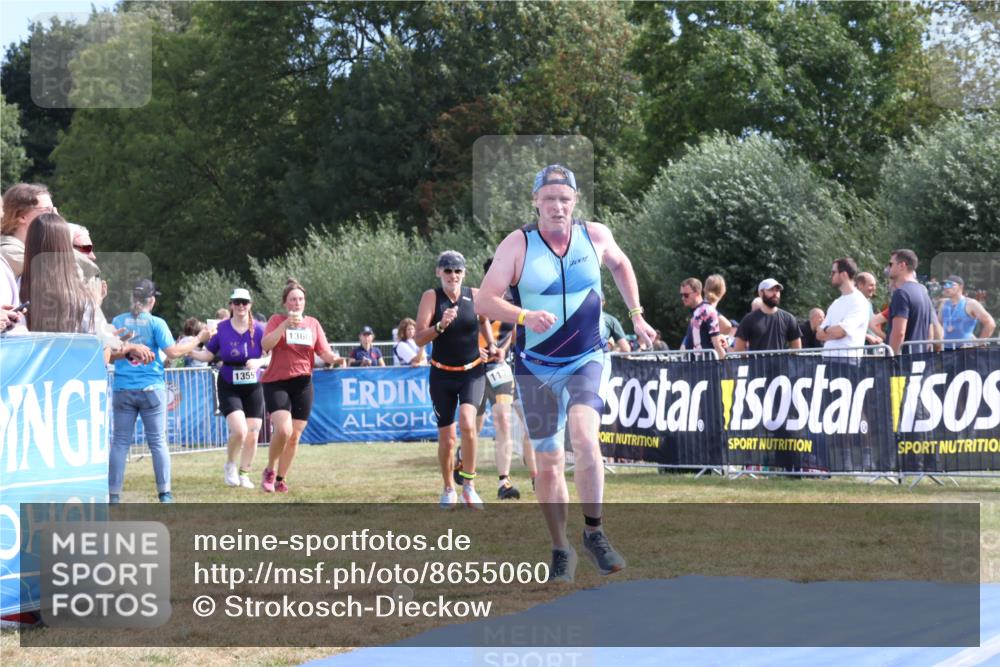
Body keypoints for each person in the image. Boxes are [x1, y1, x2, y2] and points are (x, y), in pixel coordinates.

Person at [477, 164, 655, 583]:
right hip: (535, 368)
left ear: (575, 202)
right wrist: (522, 314)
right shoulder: (518, 245)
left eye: (565, 199)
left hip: (586, 358)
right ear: (536, 202)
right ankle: (561, 547)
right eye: (549, 199)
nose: (557, 206)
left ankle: (594, 532)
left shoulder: (594, 236)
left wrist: (637, 315)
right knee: (550, 461)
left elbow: (621, 265)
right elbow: (485, 300)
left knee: (584, 435)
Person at [109, 279, 212, 503]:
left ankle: (113, 495)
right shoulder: (156, 323)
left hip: (123, 388)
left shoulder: (117, 321)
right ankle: (165, 493)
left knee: (120, 443)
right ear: (152, 300)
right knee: (157, 442)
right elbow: (174, 353)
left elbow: (109, 354)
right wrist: (198, 339)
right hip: (151, 389)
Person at [414, 250, 494, 510]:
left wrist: (491, 345)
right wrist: (440, 326)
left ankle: (469, 486)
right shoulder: (431, 297)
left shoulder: (475, 295)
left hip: (472, 371)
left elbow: (483, 321)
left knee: (469, 425)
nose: (453, 275)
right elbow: (418, 338)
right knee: (447, 439)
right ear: (439, 272)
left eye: (457, 270)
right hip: (441, 374)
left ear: (464, 273)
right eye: (447, 270)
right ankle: (448, 488)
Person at [260, 278, 341, 493]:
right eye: (293, 299)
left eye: (301, 299)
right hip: (276, 381)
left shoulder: (313, 324)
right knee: (284, 430)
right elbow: (266, 345)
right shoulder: (276, 320)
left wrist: (334, 358)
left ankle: (280, 479)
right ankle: (269, 470)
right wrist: (286, 325)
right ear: (285, 303)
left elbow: (323, 352)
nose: (297, 303)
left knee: (294, 436)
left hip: (303, 383)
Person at [189, 288, 268, 489]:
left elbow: (272, 354)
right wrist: (187, 351)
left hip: (253, 385)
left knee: (253, 432)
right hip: (229, 384)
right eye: (237, 302)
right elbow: (208, 355)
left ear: (250, 305)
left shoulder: (259, 329)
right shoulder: (222, 329)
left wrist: (260, 362)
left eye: (245, 302)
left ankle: (245, 474)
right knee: (240, 431)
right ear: (231, 305)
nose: (241, 306)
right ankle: (230, 465)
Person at [18, 213, 98, 334]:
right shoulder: (81, 297)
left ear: (29, 244)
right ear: (66, 247)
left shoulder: (13, 286)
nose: (92, 255)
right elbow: (92, 346)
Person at [816, 257, 870, 357]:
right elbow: (819, 335)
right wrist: (830, 331)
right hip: (828, 359)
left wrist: (826, 330)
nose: (830, 276)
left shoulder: (859, 301)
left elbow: (841, 332)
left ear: (844, 274)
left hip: (847, 361)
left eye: (833, 272)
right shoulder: (836, 303)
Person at [1, 183, 56, 278]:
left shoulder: (31, 250)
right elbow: (57, 275)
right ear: (22, 216)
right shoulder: (11, 253)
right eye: (47, 210)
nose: (55, 216)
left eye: (53, 210)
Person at [887, 249, 935, 355]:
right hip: (919, 357)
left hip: (903, 361)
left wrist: (892, 358)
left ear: (902, 265)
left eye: (891, 264)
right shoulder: (923, 292)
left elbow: (899, 332)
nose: (888, 268)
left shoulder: (902, 293)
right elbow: (930, 331)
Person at [734, 279, 802, 351]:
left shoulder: (789, 319)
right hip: (757, 362)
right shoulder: (748, 320)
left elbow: (797, 350)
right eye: (771, 290)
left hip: (781, 362)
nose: (775, 293)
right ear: (761, 293)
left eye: (777, 290)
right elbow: (739, 350)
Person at [939, 275, 995, 347]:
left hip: (965, 352)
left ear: (961, 286)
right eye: (944, 285)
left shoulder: (970, 303)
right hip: (946, 350)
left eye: (950, 284)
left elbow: (990, 323)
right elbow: (938, 325)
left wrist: (978, 343)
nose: (946, 287)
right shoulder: (943, 303)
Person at [679, 277, 726, 359]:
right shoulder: (698, 312)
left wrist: (728, 369)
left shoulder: (707, 311)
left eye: (686, 295)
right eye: (681, 295)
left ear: (697, 293)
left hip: (706, 366)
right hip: (697, 365)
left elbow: (717, 345)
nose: (683, 298)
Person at [855, 271, 883, 345]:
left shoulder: (869, 302)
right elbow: (846, 328)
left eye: (875, 285)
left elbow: (873, 322)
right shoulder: (852, 303)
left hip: (872, 348)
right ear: (860, 285)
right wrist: (867, 336)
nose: (874, 288)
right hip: (859, 348)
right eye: (871, 285)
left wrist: (878, 336)